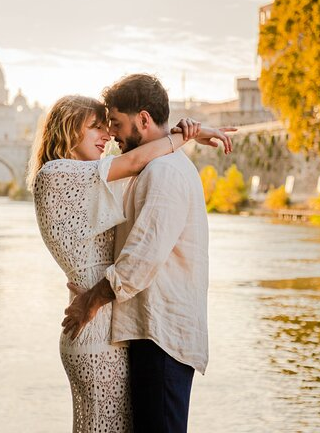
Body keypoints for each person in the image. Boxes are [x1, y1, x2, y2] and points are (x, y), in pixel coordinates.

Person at [28, 94, 232, 433]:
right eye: (96, 127)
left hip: (107, 321)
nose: (107, 135)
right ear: (67, 128)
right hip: (92, 321)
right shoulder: (58, 173)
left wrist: (187, 132)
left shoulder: (91, 180)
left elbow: (140, 164)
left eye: (109, 127)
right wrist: (190, 133)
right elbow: (138, 159)